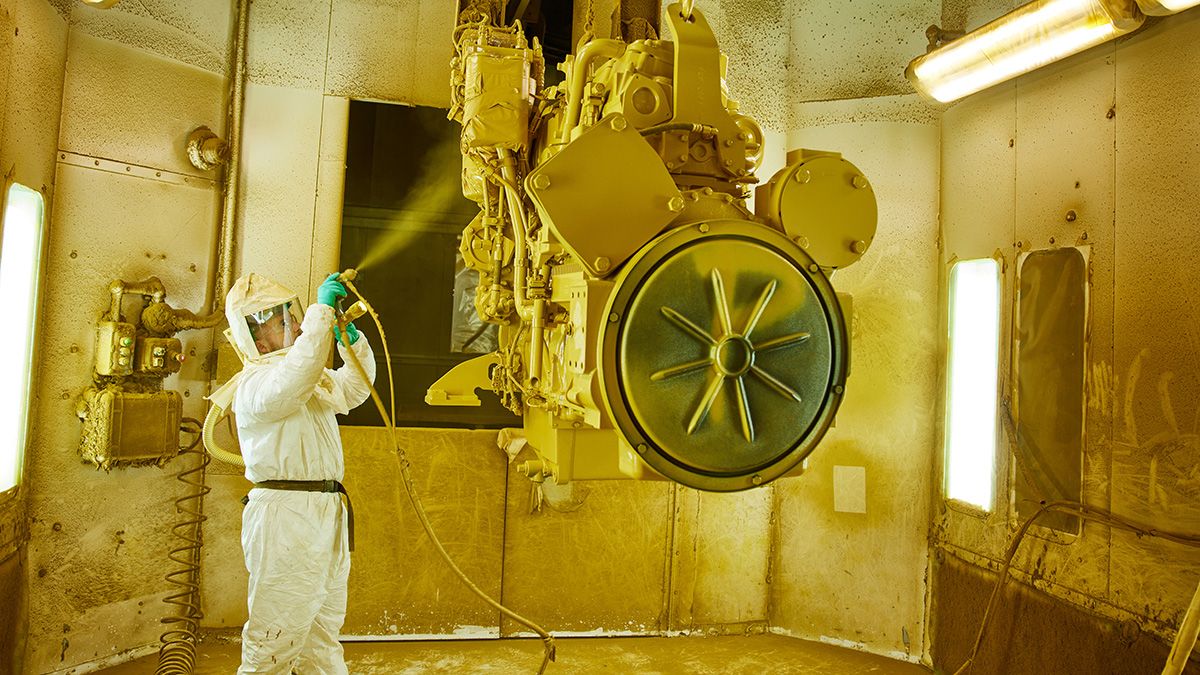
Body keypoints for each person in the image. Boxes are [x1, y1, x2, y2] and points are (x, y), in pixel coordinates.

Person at [223, 272, 376, 674]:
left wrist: (351, 344)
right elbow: (297, 376)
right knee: (275, 640)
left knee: (321, 636)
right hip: (287, 518)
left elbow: (354, 390)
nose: (292, 323)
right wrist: (322, 314)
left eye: (289, 314)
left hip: (326, 514)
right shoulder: (258, 384)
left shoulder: (304, 376)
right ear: (258, 340)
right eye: (280, 321)